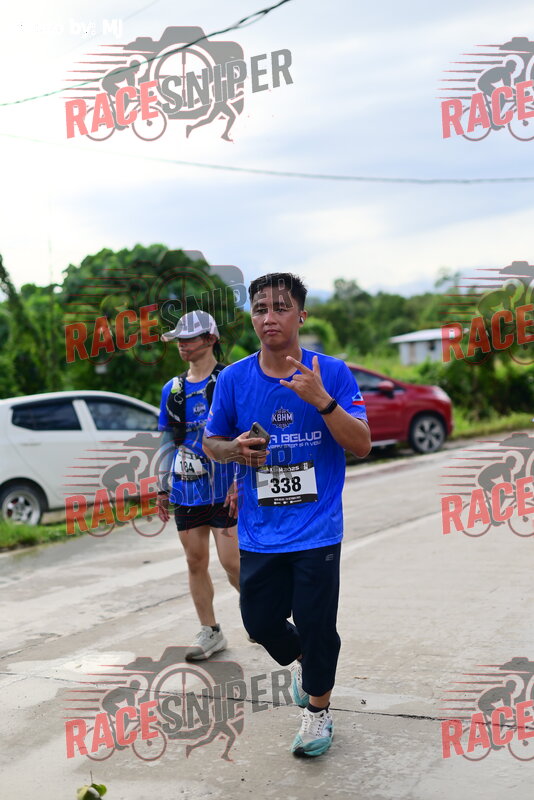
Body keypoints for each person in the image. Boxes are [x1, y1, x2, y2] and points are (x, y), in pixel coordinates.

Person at [202, 273, 371, 758]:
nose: (269, 317)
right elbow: (211, 443)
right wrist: (234, 450)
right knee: (259, 623)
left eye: (280, 307)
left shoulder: (331, 372)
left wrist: (323, 401)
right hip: (259, 532)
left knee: (318, 627)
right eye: (260, 308)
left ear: (301, 315)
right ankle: (304, 661)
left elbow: (362, 444)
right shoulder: (234, 379)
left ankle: (318, 711)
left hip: (318, 529)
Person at [156, 310, 240, 661]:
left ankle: (262, 614)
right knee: (195, 561)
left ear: (210, 339)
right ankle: (210, 631)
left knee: (232, 562)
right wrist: (162, 486)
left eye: (189, 338)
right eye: (179, 339)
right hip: (187, 489)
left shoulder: (229, 380)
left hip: (226, 487)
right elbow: (166, 440)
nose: (182, 345)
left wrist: (239, 482)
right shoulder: (173, 390)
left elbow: (245, 431)